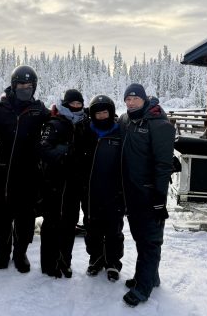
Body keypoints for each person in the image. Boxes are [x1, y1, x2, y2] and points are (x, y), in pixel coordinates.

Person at [0, 65, 50, 273]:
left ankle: (20, 252)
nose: (25, 88)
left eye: (29, 85)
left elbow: (57, 123)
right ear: (13, 85)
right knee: (2, 216)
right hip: (4, 172)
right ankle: (2, 252)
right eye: (21, 84)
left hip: (29, 172)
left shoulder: (39, 110)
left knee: (25, 217)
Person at [119, 83, 175, 307]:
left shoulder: (159, 124)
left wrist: (159, 198)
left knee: (150, 240)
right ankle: (150, 276)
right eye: (127, 99)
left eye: (135, 99)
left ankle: (142, 288)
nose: (130, 102)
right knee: (140, 237)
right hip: (132, 192)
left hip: (151, 193)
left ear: (144, 99)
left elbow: (163, 164)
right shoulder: (126, 120)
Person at [39, 89, 89, 278]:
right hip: (55, 181)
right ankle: (49, 263)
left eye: (79, 103)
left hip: (74, 182)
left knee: (69, 223)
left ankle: (64, 261)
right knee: (52, 222)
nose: (76, 107)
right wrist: (63, 153)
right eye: (73, 103)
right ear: (66, 103)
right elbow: (43, 149)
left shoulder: (84, 123)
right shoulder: (54, 124)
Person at [84, 95, 124, 282]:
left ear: (111, 112)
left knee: (114, 229)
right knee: (92, 227)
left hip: (114, 191)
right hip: (91, 191)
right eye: (98, 113)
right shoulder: (85, 132)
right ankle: (96, 258)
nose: (101, 116)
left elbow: (135, 154)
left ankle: (113, 262)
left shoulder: (120, 133)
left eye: (105, 112)